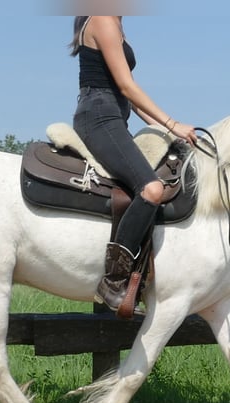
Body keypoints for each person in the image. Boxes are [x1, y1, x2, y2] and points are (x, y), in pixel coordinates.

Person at [70, 15, 197, 315]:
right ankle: (113, 282)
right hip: (99, 117)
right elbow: (127, 87)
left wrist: (167, 132)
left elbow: (131, 96)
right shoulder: (102, 18)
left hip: (114, 116)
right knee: (152, 189)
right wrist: (173, 123)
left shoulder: (115, 22)